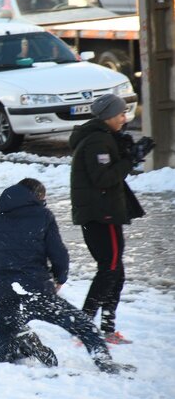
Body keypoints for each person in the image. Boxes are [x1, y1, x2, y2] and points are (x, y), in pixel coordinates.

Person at [0, 178, 136, 374]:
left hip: (7, 295)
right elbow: (58, 253)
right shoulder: (42, 215)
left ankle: (23, 340)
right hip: (37, 292)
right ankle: (104, 361)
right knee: (83, 326)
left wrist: (2, 282)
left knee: (3, 353)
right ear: (36, 196)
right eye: (43, 198)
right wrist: (59, 278)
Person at [69, 94, 154, 344]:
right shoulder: (97, 140)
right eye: (120, 114)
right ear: (107, 116)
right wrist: (130, 159)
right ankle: (85, 327)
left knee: (115, 271)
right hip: (101, 216)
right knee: (110, 269)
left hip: (103, 214)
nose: (124, 119)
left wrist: (125, 152)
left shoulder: (102, 138)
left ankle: (106, 328)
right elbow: (103, 178)